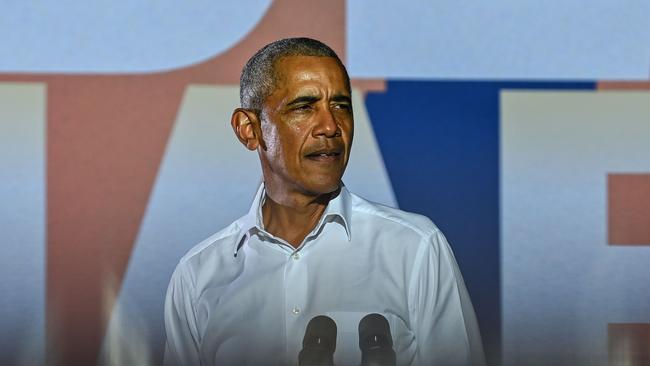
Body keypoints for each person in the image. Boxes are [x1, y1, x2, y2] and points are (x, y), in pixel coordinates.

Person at [163, 37, 486, 366]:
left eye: (341, 106)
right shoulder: (198, 276)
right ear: (249, 129)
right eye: (304, 107)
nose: (331, 126)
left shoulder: (414, 247)